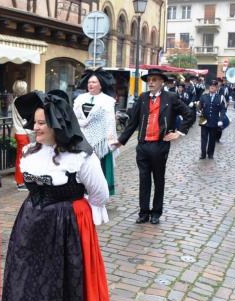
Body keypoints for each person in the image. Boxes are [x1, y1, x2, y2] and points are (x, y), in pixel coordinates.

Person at [1, 91, 114, 301]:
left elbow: (100, 195)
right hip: (30, 226)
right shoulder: (30, 151)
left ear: (57, 124)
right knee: (28, 281)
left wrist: (74, 214)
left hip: (64, 231)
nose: (35, 127)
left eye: (42, 122)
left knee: (58, 284)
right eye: (35, 121)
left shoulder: (81, 157)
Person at [115, 68, 195, 224]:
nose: (150, 83)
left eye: (154, 80)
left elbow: (189, 114)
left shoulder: (170, 98)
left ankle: (156, 212)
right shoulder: (143, 98)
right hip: (143, 145)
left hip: (160, 145)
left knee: (158, 179)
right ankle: (143, 212)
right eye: (149, 80)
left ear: (161, 82)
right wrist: (121, 140)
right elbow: (133, 123)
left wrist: (179, 132)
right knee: (144, 179)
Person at [73, 68, 118, 195]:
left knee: (98, 170)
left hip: (100, 142)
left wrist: (110, 142)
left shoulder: (107, 101)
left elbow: (110, 122)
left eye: (94, 82)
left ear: (101, 85)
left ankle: (98, 196)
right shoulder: (80, 99)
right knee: (81, 169)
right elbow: (74, 118)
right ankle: (81, 193)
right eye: (89, 82)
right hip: (82, 140)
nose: (91, 85)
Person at [198, 80, 226, 160]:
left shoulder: (220, 97)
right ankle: (203, 154)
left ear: (217, 88)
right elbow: (200, 107)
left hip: (214, 120)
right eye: (211, 86)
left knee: (212, 138)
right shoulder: (204, 96)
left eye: (214, 86)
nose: (212, 87)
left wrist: (221, 119)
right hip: (204, 119)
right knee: (203, 138)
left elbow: (223, 110)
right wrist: (198, 110)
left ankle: (210, 154)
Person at [11, 80, 30, 191]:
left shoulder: (15, 100)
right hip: (23, 132)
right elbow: (24, 120)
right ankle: (20, 182)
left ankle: (20, 180)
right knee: (22, 158)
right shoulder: (20, 102)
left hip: (19, 132)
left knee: (20, 157)